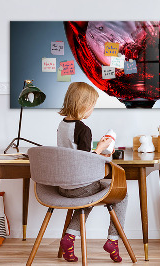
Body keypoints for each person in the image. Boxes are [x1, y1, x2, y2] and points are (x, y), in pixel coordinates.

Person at [57, 82, 127, 263]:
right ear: (83, 105)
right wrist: (102, 148)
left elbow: (74, 154)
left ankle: (69, 238)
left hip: (63, 186)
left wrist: (97, 149)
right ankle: (113, 240)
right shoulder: (83, 129)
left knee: (87, 198)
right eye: (92, 106)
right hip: (80, 186)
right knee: (122, 194)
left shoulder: (62, 125)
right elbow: (85, 161)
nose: (92, 110)